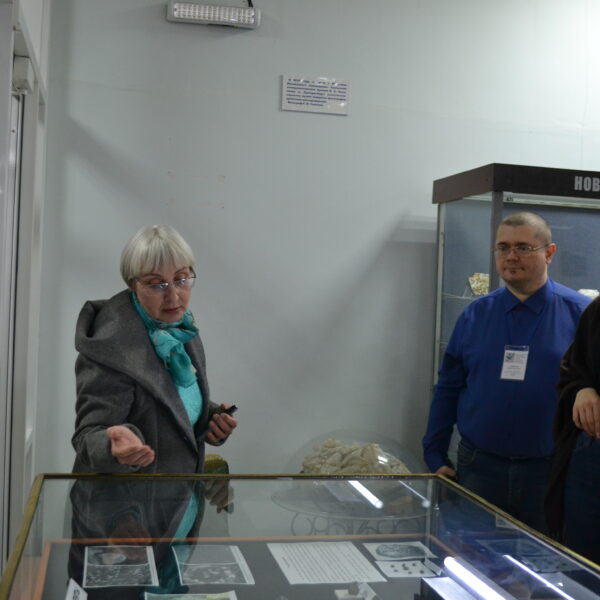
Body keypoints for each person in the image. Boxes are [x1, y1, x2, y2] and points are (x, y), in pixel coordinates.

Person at [422, 211, 591, 532]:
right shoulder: (474, 315)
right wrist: (434, 455)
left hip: (552, 471)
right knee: (473, 558)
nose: (511, 256)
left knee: (548, 560)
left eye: (523, 247)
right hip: (479, 468)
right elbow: (448, 388)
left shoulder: (581, 315)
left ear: (549, 253)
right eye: (503, 247)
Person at [72, 225, 237, 473]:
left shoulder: (180, 328)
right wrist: (112, 446)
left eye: (181, 279)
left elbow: (170, 402)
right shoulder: (110, 346)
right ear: (133, 284)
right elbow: (87, 437)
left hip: (180, 490)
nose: (173, 296)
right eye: (156, 284)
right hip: (123, 496)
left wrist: (210, 419)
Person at [545, 296, 600, 563]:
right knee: (582, 566)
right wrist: (582, 389)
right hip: (591, 454)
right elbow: (573, 369)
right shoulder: (597, 311)